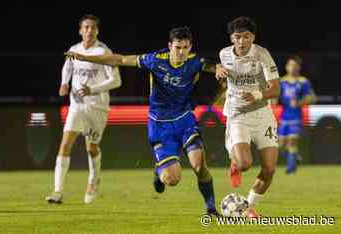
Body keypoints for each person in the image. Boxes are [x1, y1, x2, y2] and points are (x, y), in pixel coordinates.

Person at [65, 26, 222, 216]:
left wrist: (219, 68)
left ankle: (211, 209)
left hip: (185, 120)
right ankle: (159, 170)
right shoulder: (155, 60)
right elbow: (120, 59)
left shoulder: (194, 61)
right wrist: (86, 57)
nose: (181, 52)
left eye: (186, 47)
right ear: (169, 45)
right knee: (172, 180)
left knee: (199, 165)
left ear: (190, 47)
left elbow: (212, 65)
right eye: (178, 47)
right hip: (160, 125)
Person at [46, 14, 121, 204]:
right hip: (77, 105)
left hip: (97, 107)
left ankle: (93, 180)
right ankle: (57, 192)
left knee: (91, 148)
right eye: (86, 27)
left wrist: (92, 89)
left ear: (97, 31)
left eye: (93, 27)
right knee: (65, 144)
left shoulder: (104, 52)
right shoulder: (74, 49)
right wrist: (64, 83)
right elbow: (68, 67)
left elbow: (116, 81)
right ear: (80, 30)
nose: (89, 30)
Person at [216, 16, 280, 217]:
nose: (242, 41)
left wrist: (257, 95)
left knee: (269, 169)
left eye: (246, 37)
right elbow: (224, 73)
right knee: (244, 164)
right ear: (231, 38)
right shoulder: (224, 54)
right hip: (238, 115)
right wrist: (218, 70)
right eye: (237, 37)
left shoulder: (262, 55)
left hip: (262, 115)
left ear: (253, 37)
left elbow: (276, 89)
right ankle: (234, 162)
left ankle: (248, 206)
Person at [278, 55, 317, 174]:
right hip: (284, 116)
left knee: (292, 141)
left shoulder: (303, 81)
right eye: (290, 65)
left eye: (295, 66)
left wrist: (300, 102)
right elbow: (275, 96)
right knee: (280, 145)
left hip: (296, 116)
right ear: (286, 67)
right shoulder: (281, 81)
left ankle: (290, 169)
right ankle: (295, 157)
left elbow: (313, 98)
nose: (292, 68)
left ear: (299, 68)